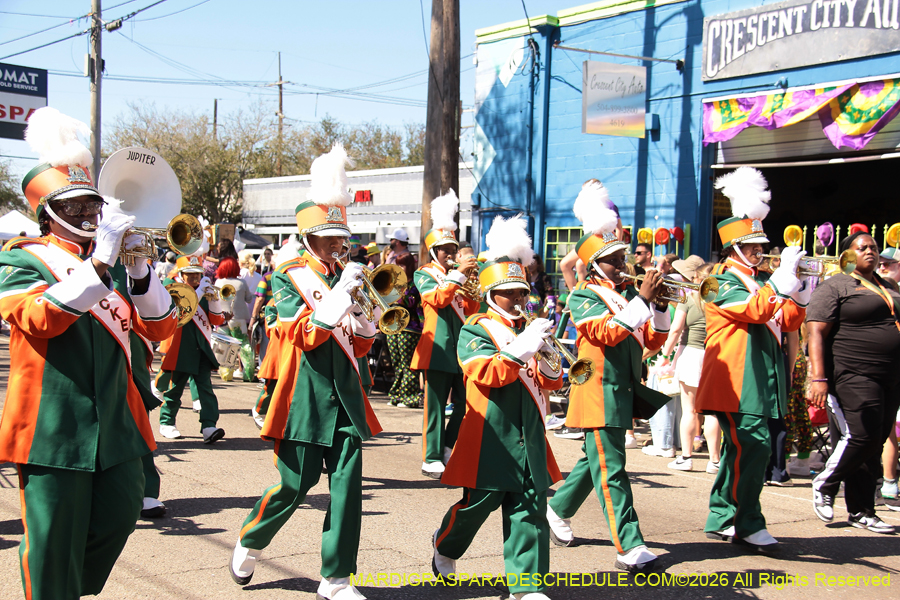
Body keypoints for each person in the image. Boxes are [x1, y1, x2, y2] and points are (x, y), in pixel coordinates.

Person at [0, 107, 178, 600]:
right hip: (53, 423)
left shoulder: (112, 262)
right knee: (52, 541)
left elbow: (160, 327)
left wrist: (140, 271)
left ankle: (63, 591)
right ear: (48, 213)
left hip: (116, 421)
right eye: (74, 207)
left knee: (121, 515)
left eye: (91, 206)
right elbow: (40, 318)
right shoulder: (20, 257)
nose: (87, 215)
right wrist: (100, 261)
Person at [230, 144, 382, 600]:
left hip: (347, 397)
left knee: (347, 489)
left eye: (343, 236)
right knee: (294, 486)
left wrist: (366, 319)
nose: (340, 243)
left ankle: (335, 578)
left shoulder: (347, 274)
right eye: (331, 237)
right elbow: (302, 334)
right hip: (304, 394)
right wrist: (338, 298)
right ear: (310, 237)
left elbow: (357, 342)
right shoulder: (288, 273)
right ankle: (250, 538)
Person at [431, 214, 563, 600]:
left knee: (529, 508)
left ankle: (526, 586)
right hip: (492, 433)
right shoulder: (477, 327)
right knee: (479, 504)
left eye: (523, 292)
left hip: (529, 433)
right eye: (510, 293)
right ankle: (444, 543)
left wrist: (548, 354)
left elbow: (552, 382)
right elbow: (485, 372)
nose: (520, 299)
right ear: (491, 295)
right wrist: (524, 346)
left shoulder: (527, 329)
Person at [545, 185, 671, 572]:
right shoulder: (583, 295)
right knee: (612, 468)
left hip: (622, 387)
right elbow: (605, 333)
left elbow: (651, 340)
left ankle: (556, 508)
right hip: (597, 390)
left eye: (622, 256)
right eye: (614, 259)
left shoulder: (627, 294)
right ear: (595, 264)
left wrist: (661, 306)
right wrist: (643, 300)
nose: (623, 264)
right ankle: (629, 546)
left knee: (597, 462)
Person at [695, 167, 808, 552]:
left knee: (741, 449)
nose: (760, 252)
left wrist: (801, 290)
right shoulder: (715, 281)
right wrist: (781, 282)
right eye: (753, 247)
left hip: (760, 377)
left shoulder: (760, 282)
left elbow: (787, 320)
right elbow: (757, 311)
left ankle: (722, 515)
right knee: (755, 446)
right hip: (735, 381)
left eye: (762, 246)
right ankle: (748, 522)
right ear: (734, 249)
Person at [807, 231, 900, 534]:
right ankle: (826, 481)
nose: (871, 252)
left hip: (890, 374)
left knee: (877, 439)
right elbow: (816, 332)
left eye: (874, 247)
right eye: (863, 248)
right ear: (847, 255)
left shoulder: (888, 286)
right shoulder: (835, 285)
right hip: (853, 372)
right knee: (862, 435)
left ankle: (862, 510)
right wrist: (818, 377)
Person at [411, 190, 481, 478]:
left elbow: (472, 308)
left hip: (461, 348)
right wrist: (460, 276)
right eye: (446, 250)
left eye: (453, 249)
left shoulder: (458, 276)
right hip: (437, 348)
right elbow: (438, 299)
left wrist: (473, 285)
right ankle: (431, 456)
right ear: (433, 252)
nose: (451, 254)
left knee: (465, 404)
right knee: (436, 406)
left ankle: (448, 448)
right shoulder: (424, 273)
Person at [658, 258, 721, 473]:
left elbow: (675, 329)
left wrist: (665, 355)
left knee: (689, 410)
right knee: (713, 411)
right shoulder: (721, 298)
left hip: (692, 354)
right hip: (715, 354)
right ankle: (714, 460)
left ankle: (686, 457)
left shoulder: (689, 298)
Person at [157, 255, 227, 443]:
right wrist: (198, 294)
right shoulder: (172, 289)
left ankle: (209, 425)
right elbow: (178, 314)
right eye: (191, 276)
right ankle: (167, 422)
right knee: (175, 388)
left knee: (206, 389)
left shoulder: (204, 290)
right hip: (180, 346)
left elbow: (217, 320)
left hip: (201, 347)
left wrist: (214, 300)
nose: (196, 280)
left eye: (198, 275)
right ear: (181, 275)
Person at [216, 257, 257, 381]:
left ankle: (226, 373)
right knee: (244, 346)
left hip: (221, 319)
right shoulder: (241, 283)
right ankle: (248, 374)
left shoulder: (218, 283)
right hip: (238, 319)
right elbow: (249, 299)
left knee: (223, 346)